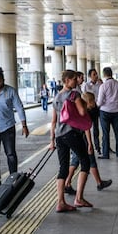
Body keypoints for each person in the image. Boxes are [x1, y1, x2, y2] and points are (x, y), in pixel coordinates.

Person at [49, 70, 92, 212]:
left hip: (60, 136)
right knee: (85, 161)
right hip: (72, 134)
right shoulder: (74, 95)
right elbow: (82, 112)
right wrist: (86, 105)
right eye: (74, 79)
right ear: (67, 80)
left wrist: (52, 141)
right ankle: (79, 198)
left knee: (63, 168)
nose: (76, 81)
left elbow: (54, 121)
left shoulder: (56, 97)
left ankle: (60, 202)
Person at [64, 92, 112, 194]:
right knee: (90, 161)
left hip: (75, 138)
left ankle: (67, 183)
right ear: (89, 102)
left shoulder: (81, 110)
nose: (95, 102)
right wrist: (90, 143)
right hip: (82, 140)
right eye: (93, 100)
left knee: (76, 161)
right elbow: (86, 129)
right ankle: (98, 183)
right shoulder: (86, 112)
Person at [97, 67, 118, 159]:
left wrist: (96, 105)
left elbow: (100, 102)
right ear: (112, 73)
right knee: (117, 133)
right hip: (116, 112)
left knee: (105, 133)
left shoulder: (103, 86)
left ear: (104, 74)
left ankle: (105, 154)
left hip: (105, 112)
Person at [82, 69, 102, 155]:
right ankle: (87, 146)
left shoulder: (100, 84)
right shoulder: (86, 85)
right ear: (90, 76)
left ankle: (97, 147)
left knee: (96, 128)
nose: (96, 75)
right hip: (88, 109)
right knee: (86, 128)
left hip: (96, 108)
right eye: (94, 74)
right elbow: (84, 96)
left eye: (96, 74)